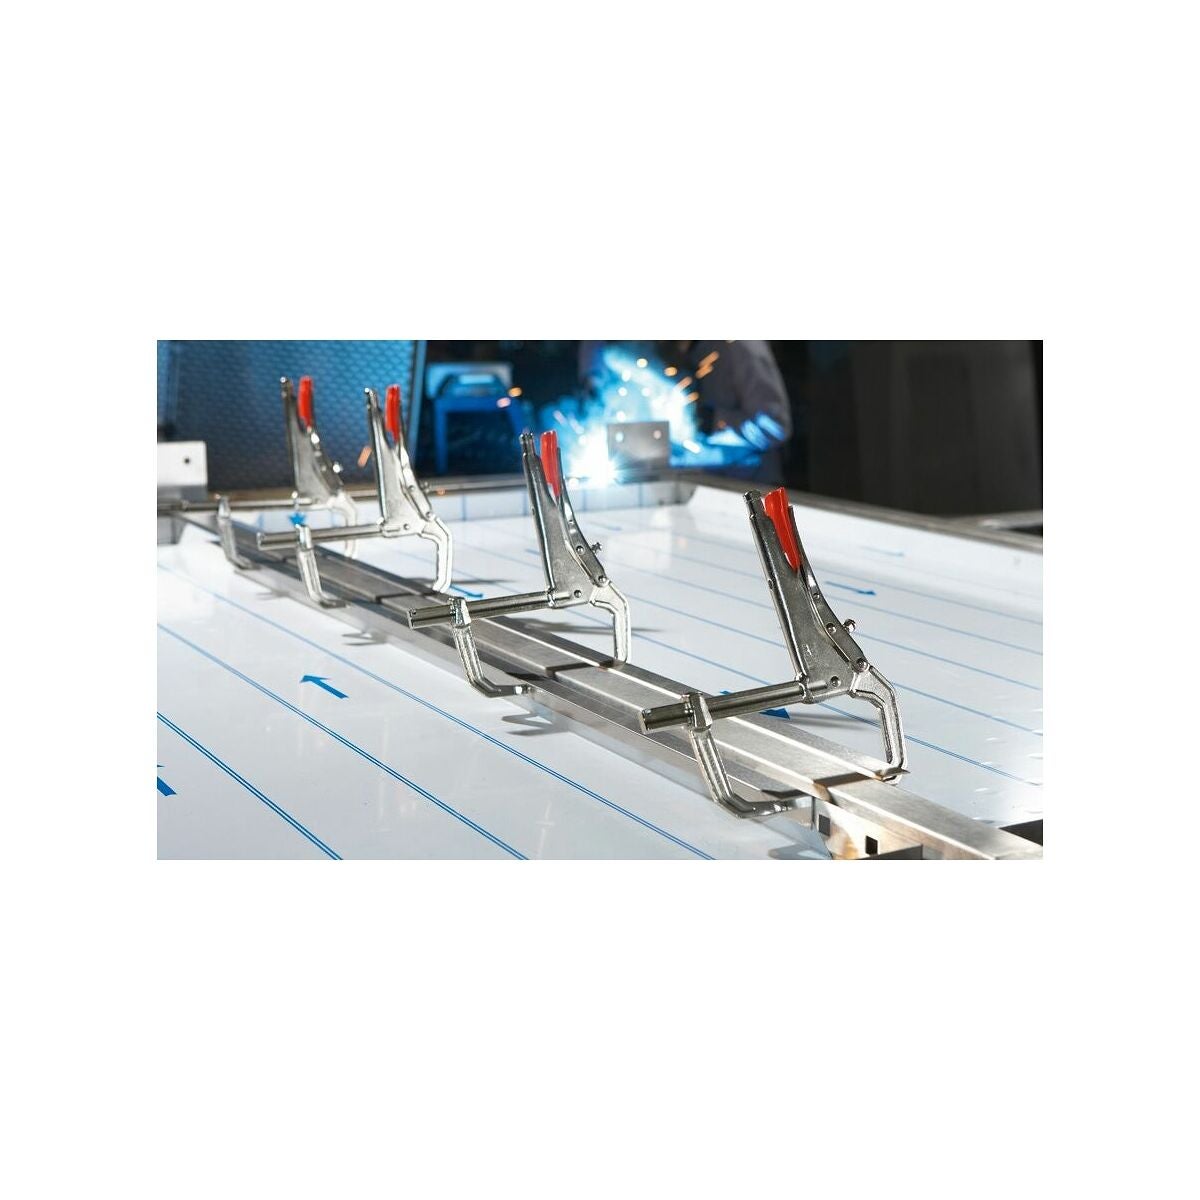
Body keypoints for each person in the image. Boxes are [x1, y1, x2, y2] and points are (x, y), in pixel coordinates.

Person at [578, 340, 792, 483]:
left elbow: (776, 425)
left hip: (749, 487)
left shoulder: (739, 345)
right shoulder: (665, 350)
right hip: (699, 487)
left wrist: (713, 422)